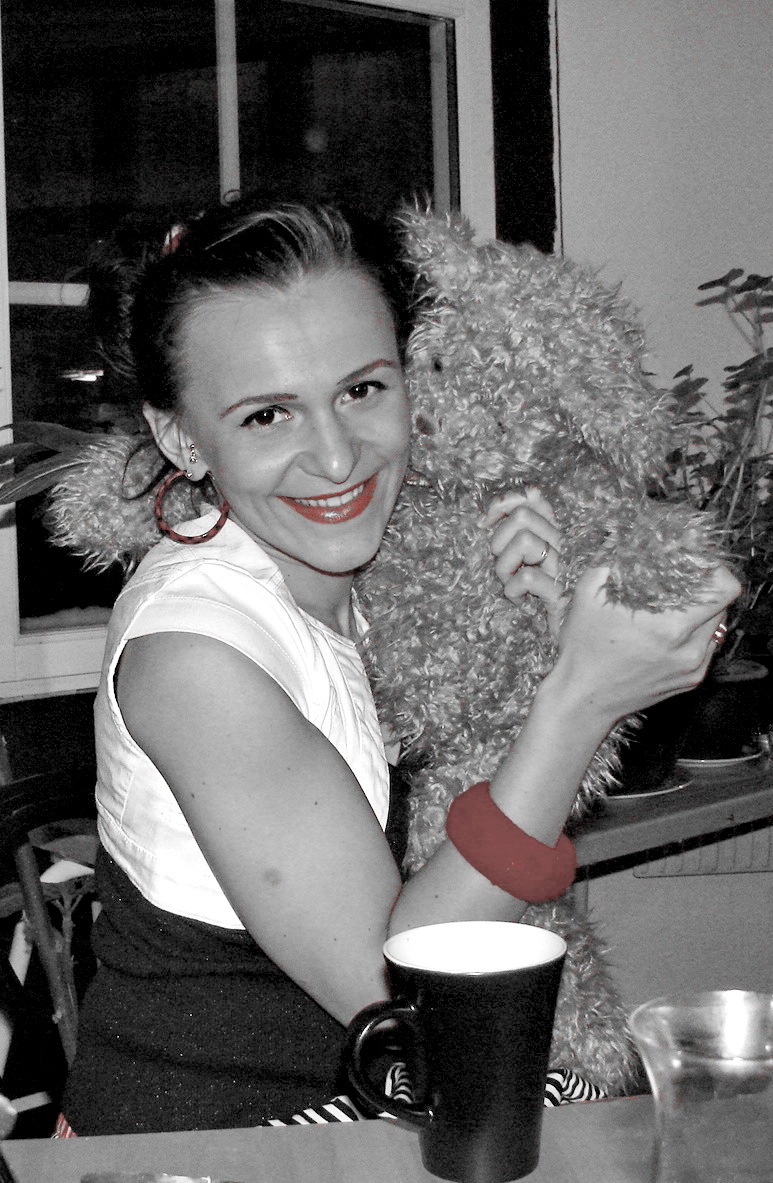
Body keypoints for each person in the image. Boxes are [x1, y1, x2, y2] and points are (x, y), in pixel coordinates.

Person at [62, 200, 740, 1135]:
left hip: (375, 1114)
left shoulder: (372, 564)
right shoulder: (194, 656)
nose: (337, 455)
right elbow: (402, 987)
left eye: (362, 389)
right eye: (267, 414)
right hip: (220, 1142)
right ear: (181, 438)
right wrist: (578, 701)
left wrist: (544, 639)